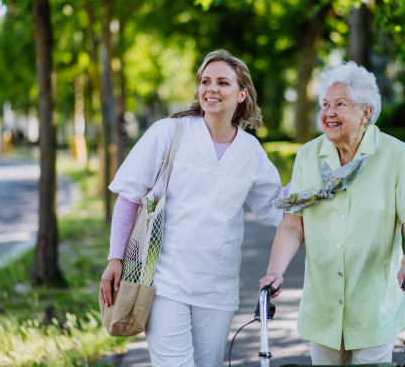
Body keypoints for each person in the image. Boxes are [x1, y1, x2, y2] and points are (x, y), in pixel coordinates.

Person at [99, 49, 284, 367]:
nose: (211, 88)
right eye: (206, 81)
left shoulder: (250, 151)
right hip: (164, 282)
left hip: (218, 289)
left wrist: (317, 181)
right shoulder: (169, 132)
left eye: (223, 82)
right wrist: (115, 258)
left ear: (241, 95)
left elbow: (274, 206)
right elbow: (130, 197)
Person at [259, 61, 405, 365]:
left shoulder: (396, 154)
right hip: (322, 308)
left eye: (340, 104)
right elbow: (292, 226)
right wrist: (275, 270)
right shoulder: (308, 155)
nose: (328, 113)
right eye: (325, 105)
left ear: (366, 112)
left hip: (373, 309)